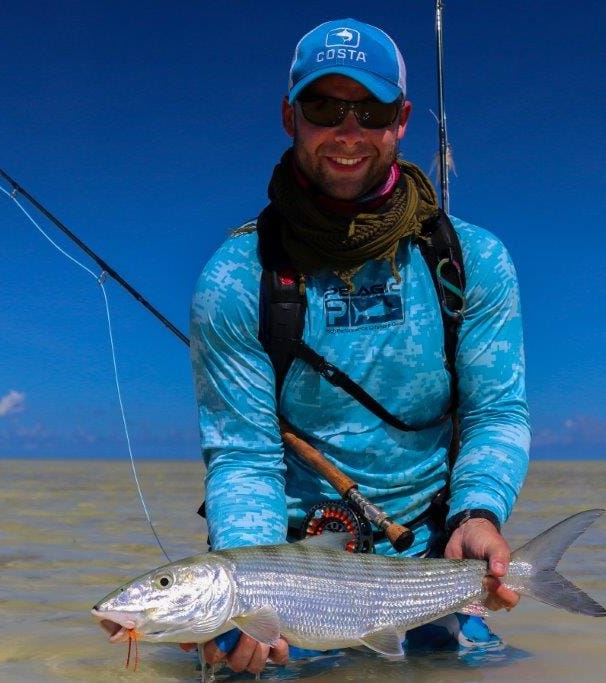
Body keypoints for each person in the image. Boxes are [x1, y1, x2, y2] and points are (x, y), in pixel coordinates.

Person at [188, 18, 530, 674]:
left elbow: (497, 414)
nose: (348, 133)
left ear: (401, 119)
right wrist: (251, 600)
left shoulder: (472, 260)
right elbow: (243, 457)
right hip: (296, 578)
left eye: (369, 110)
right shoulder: (234, 280)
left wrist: (479, 510)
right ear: (290, 117)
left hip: (438, 565)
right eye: (324, 107)